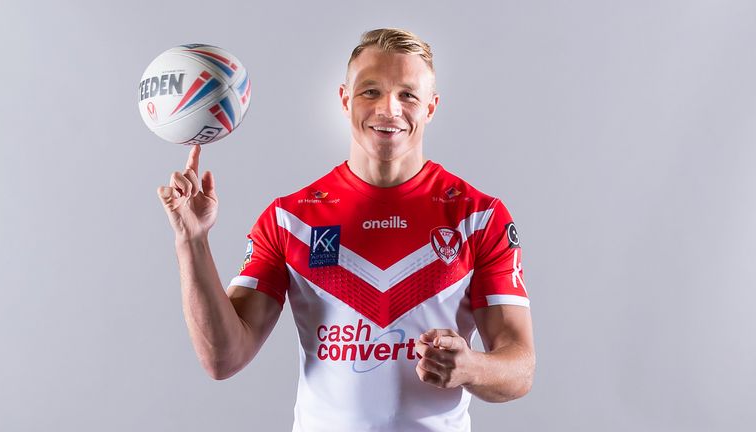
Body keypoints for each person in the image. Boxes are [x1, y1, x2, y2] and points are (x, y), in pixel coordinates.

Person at [158, 28, 535, 432]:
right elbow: (222, 358)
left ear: (431, 107)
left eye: (407, 94)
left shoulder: (478, 217)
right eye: (370, 91)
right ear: (344, 99)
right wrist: (192, 241)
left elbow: (520, 369)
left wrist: (471, 367)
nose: (389, 109)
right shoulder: (291, 220)